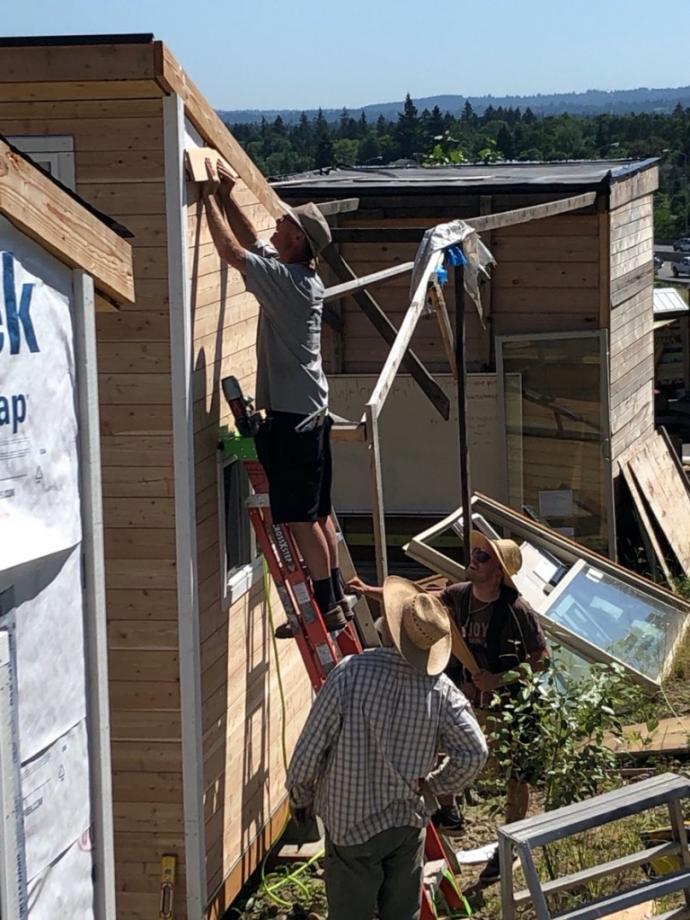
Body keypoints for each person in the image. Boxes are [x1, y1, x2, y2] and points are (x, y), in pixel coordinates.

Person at [349, 530, 549, 883]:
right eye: (475, 552)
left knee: (514, 778)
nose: (474, 558)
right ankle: (449, 811)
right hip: (467, 701)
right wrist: (371, 592)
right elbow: (416, 604)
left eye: (483, 557)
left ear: (498, 572)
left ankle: (510, 846)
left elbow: (542, 661)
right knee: (438, 750)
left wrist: (498, 679)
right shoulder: (460, 595)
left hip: (508, 708)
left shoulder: (518, 612)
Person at [201, 164, 350, 633]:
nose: (277, 223)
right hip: (308, 415)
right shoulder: (293, 273)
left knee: (303, 522)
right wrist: (226, 196)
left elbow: (232, 252)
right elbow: (252, 242)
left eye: (286, 222)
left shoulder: (289, 285)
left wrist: (204, 195)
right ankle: (337, 599)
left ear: (300, 241)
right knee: (317, 513)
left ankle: (325, 604)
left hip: (295, 420)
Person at [286, 576, 488, 920]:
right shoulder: (441, 691)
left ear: (390, 629)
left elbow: (311, 746)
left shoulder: (351, 673)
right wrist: (436, 786)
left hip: (350, 822)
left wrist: (300, 796)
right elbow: (475, 752)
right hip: (405, 821)